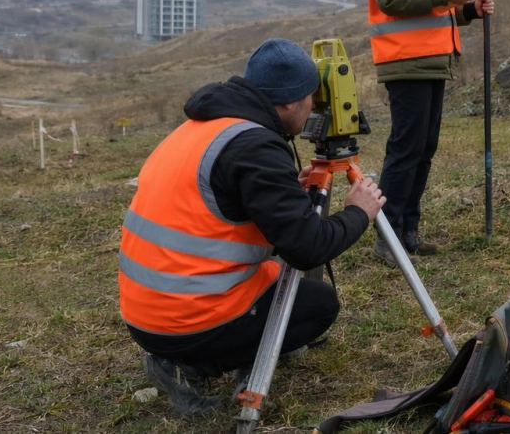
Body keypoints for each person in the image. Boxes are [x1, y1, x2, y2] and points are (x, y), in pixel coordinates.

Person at [118, 38, 386, 416]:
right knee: (317, 305)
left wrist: (285, 193)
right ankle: (191, 365)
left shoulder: (205, 127)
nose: (314, 108)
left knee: (274, 276)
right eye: (311, 99)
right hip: (185, 323)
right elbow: (307, 248)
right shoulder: (255, 148)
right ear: (291, 102)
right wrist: (359, 212)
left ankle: (187, 352)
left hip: (146, 313)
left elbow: (214, 213)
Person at [366, 0, 495, 267]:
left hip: (429, 60)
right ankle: (387, 238)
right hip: (407, 60)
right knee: (406, 150)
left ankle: (407, 232)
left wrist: (468, 10)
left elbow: (430, 9)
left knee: (423, 149)